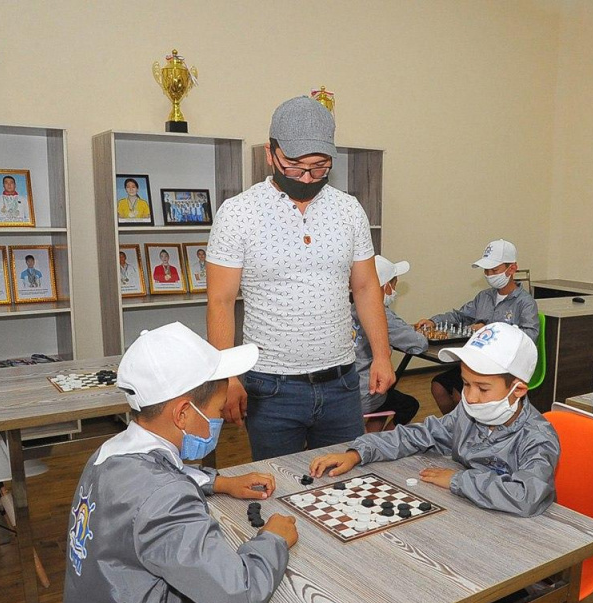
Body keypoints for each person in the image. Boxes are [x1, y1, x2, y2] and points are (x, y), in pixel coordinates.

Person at [309, 321, 557, 603]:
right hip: (465, 536)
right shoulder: (467, 414)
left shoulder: (538, 437)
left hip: (515, 560)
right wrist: (359, 451)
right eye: (465, 384)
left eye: (482, 388)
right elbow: (418, 436)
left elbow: (527, 495)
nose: (468, 397)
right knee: (403, 577)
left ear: (517, 390)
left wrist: (459, 480)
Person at [63, 322, 297, 603]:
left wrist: (221, 482)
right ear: (184, 413)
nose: (221, 420)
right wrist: (274, 538)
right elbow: (240, 591)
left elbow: (160, 478)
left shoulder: (106, 457)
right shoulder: (163, 497)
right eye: (218, 410)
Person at [206, 95, 394, 460]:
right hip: (270, 388)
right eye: (294, 166)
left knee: (346, 487)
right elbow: (221, 301)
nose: (306, 177)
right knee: (281, 489)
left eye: (319, 167)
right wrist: (226, 378)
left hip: (341, 383)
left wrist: (382, 356)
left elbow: (367, 287)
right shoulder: (238, 213)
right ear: (269, 153)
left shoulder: (348, 209)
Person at [417, 239, 539, 414]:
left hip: (502, 367)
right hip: (476, 363)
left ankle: (470, 429)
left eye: (494, 270)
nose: (489, 275)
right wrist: (434, 321)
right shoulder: (484, 297)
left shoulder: (525, 302)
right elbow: (460, 316)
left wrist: (488, 330)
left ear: (511, 269)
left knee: (462, 395)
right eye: (486, 271)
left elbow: (530, 336)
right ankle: (456, 428)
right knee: (438, 387)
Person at [352, 255, 428, 431]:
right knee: (408, 404)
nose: (394, 291)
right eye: (393, 286)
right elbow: (419, 344)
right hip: (365, 394)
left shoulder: (351, 309)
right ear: (385, 287)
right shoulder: (382, 315)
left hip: (345, 392)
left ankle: (373, 437)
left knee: (388, 395)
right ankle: (384, 439)